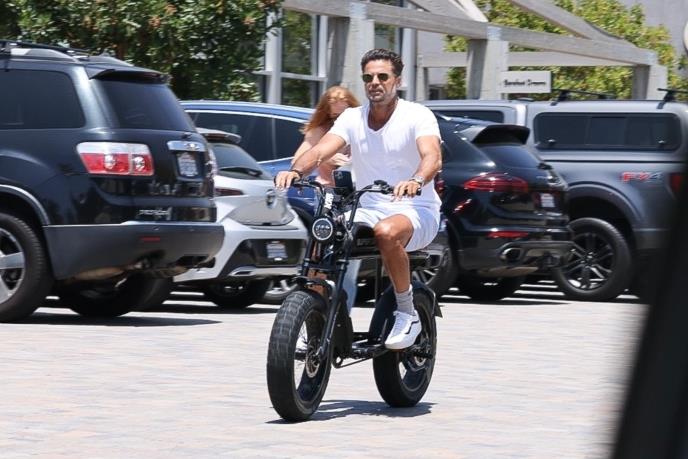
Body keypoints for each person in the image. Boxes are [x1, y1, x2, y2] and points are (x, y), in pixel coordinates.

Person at [276, 48, 442, 350]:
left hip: (417, 210)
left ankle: (407, 313)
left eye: (383, 76)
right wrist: (296, 171)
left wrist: (416, 180)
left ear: (397, 81)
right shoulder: (353, 118)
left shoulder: (418, 115)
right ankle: (313, 314)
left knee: (386, 232)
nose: (375, 83)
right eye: (368, 77)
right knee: (324, 231)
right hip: (367, 210)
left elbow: (432, 157)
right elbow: (320, 150)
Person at [293, 86, 362, 312]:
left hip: (356, 198)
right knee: (318, 257)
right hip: (328, 198)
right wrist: (325, 159)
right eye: (333, 116)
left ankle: (340, 317)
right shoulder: (320, 131)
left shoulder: (363, 129)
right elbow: (299, 158)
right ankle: (312, 309)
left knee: (348, 262)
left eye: (343, 114)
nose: (338, 121)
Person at [291, 86, 360, 186]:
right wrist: (327, 159)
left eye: (345, 115)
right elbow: (297, 161)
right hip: (328, 188)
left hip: (359, 188)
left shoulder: (361, 128)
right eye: (336, 115)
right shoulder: (320, 131)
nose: (341, 120)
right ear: (327, 112)